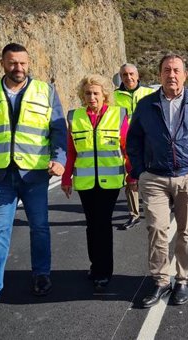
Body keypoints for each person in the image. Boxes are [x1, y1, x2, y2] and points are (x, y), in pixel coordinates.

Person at [0, 43, 67, 312]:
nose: (18, 68)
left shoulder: (46, 91)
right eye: (12, 63)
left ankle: (41, 275)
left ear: (28, 63)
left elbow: (58, 130)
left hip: (34, 174)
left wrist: (60, 159)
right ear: (2, 63)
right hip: (0, 176)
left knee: (40, 228)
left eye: (22, 63)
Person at [127, 54, 188, 307]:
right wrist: (140, 170)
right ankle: (161, 282)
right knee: (156, 229)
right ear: (159, 75)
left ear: (185, 75)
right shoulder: (146, 105)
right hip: (154, 177)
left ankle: (183, 280)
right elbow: (133, 140)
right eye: (167, 70)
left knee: (186, 232)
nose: (172, 75)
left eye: (177, 70)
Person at [61, 75, 131, 292]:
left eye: (96, 93)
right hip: (85, 182)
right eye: (88, 93)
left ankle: (104, 271)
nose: (91, 97)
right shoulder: (75, 117)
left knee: (102, 223)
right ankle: (95, 265)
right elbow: (71, 151)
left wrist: (132, 176)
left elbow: (126, 148)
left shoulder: (118, 115)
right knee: (92, 225)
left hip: (109, 183)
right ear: (83, 95)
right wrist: (66, 179)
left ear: (104, 95)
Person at [114, 63, 155, 230]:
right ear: (120, 77)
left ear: (138, 76)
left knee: (151, 179)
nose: (128, 78)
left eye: (131, 74)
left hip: (148, 143)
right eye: (124, 75)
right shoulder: (113, 97)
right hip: (126, 144)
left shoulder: (149, 93)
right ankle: (134, 215)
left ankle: (155, 212)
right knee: (131, 179)